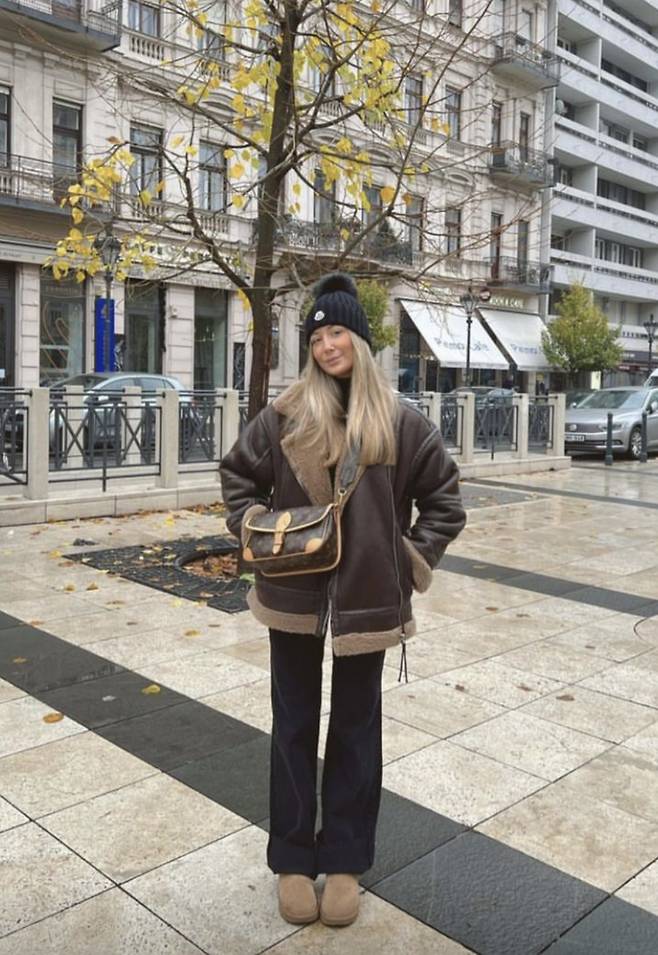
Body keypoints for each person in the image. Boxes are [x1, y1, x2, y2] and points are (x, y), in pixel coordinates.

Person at [220, 273, 466, 928]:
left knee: (356, 729)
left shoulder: (400, 422)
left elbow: (445, 503)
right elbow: (237, 477)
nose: (327, 345)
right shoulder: (283, 416)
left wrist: (406, 562)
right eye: (317, 336)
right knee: (293, 724)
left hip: (366, 601)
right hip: (292, 592)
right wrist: (257, 531)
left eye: (337, 332)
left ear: (358, 337)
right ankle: (292, 859)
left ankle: (348, 860)